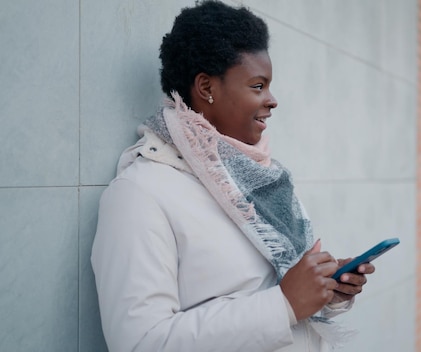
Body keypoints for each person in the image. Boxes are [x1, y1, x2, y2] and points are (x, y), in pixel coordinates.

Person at [90, 1, 375, 351]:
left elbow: (285, 299)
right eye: (258, 86)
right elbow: (140, 343)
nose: (272, 101)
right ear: (206, 87)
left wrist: (325, 289)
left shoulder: (265, 180)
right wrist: (283, 303)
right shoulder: (139, 194)